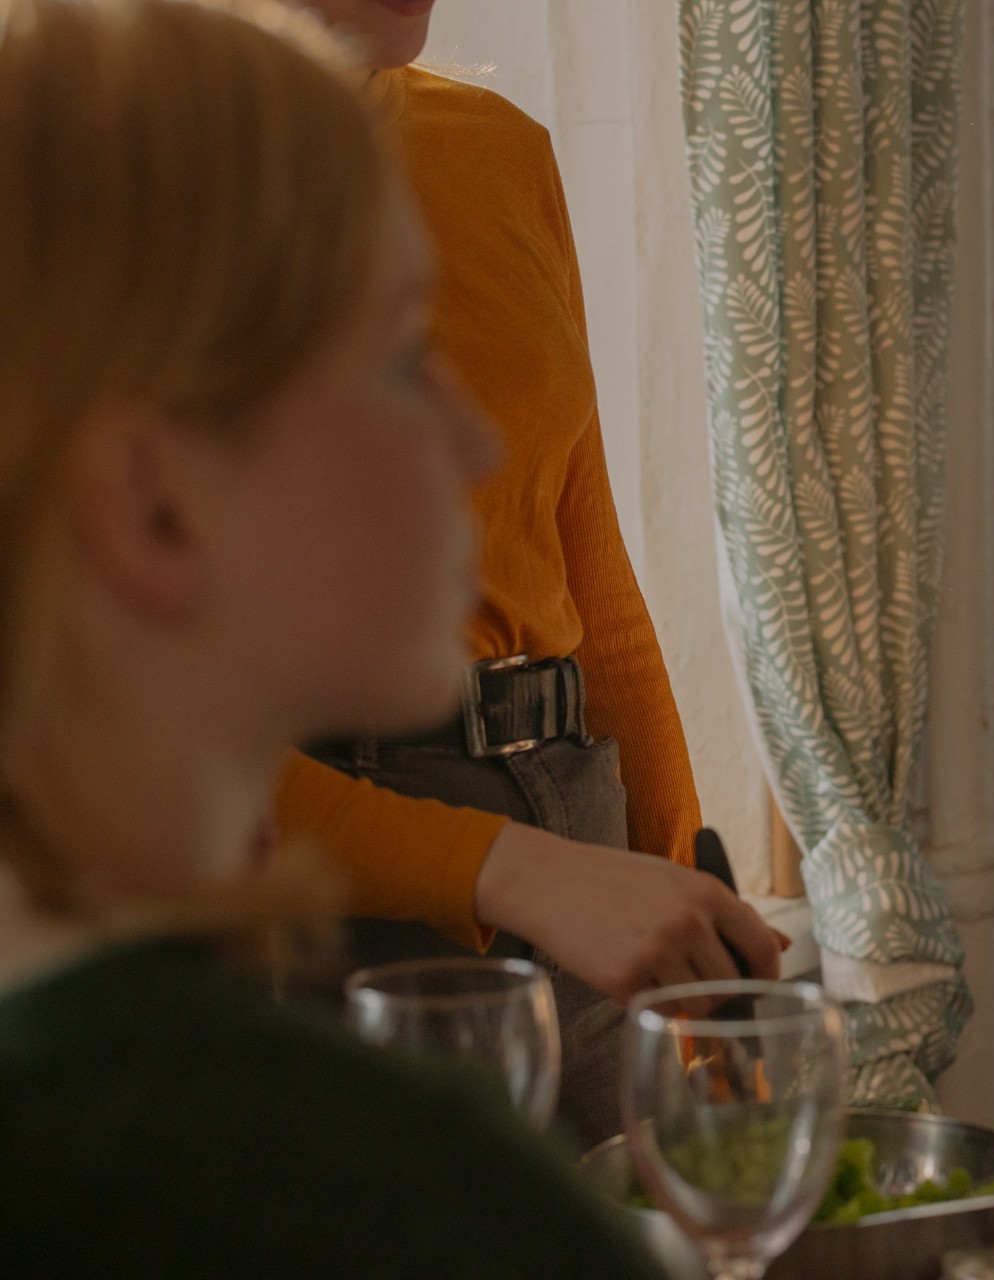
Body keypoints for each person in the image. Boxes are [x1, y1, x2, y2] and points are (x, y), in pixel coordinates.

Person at [0, 1, 660, 1272]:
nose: (474, 442)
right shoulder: (327, 1165)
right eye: (400, 357)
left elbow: (602, 585)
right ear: (146, 495)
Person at [276, 0, 781, 1144]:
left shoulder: (494, 145)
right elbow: (107, 733)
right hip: (334, 866)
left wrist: (688, 915)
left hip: (575, 835)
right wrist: (503, 866)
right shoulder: (107, 182)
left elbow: (591, 583)